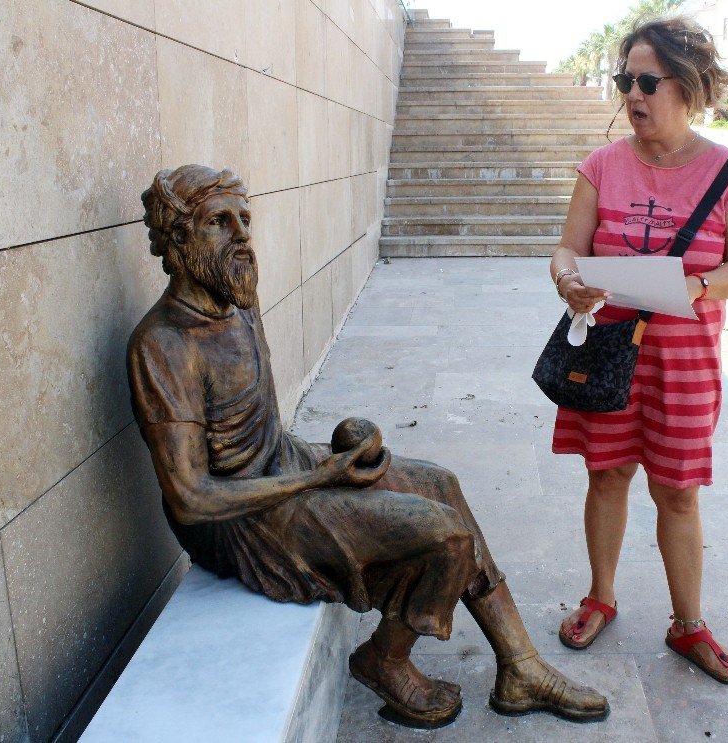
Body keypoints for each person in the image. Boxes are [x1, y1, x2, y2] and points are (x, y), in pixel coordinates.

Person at [128, 164, 609, 728]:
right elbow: (190, 498)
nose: (241, 236)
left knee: (439, 484)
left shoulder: (236, 299)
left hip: (279, 467)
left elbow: (261, 436)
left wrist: (343, 454)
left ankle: (520, 665)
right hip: (238, 523)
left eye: (244, 219)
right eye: (219, 222)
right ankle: (385, 657)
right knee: (444, 535)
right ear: (177, 237)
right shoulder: (163, 345)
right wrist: (320, 478)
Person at [548, 17, 728, 684]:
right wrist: (567, 280)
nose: (632, 95)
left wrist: (700, 284)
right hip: (608, 352)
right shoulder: (601, 166)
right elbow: (568, 247)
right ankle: (600, 595)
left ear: (688, 86)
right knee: (606, 475)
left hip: (684, 363)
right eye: (625, 81)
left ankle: (688, 623)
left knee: (677, 493)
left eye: (647, 82)